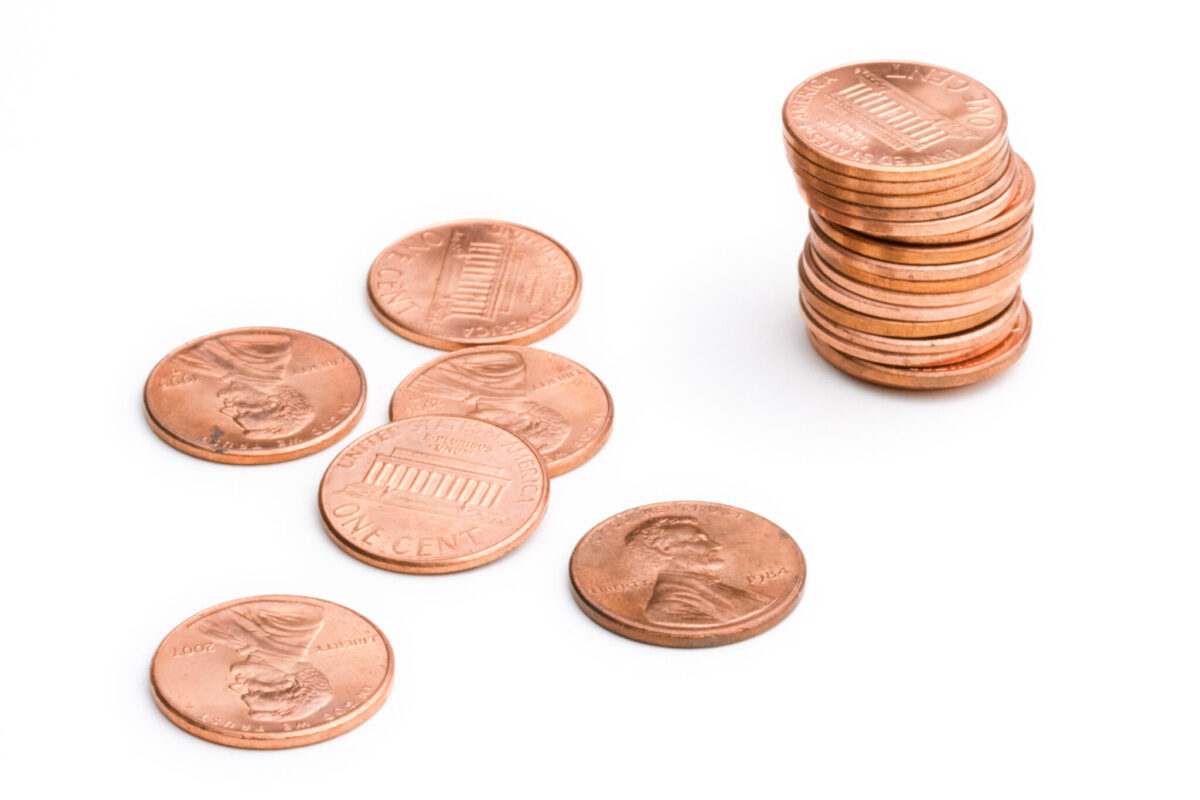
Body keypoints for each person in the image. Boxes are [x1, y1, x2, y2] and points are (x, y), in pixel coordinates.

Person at [196, 601, 333, 722]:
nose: (235, 686)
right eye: (253, 690)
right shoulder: (300, 622)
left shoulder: (246, 644)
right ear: (290, 682)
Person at [625, 516, 771, 625]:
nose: (716, 545)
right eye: (698, 540)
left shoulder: (709, 587)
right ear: (665, 550)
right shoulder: (669, 607)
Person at [176, 333, 315, 440]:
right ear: (274, 403)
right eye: (243, 412)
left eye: (235, 415)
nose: (226, 410)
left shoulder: (217, 370)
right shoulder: (269, 352)